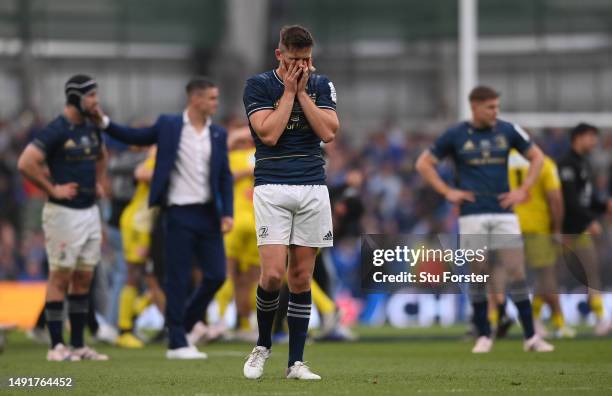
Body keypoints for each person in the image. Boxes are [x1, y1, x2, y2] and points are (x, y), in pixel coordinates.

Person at [93, 77, 233, 359]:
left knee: (217, 275)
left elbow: (224, 177)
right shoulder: (170, 126)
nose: (215, 104)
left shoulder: (217, 133)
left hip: (207, 214)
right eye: (212, 98)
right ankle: (177, 342)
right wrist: (105, 122)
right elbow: (136, 138)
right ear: (195, 99)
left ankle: (181, 325)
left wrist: (227, 212)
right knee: (176, 279)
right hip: (178, 212)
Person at [416, 85, 553, 353]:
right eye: (490, 107)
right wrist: (447, 191)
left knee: (516, 272)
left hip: (504, 212)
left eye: (497, 107)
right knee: (478, 275)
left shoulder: (508, 130)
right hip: (473, 214)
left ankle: (531, 337)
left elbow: (537, 158)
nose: (495, 112)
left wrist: (523, 190)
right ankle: (484, 335)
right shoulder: (456, 135)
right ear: (475, 107)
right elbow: (423, 163)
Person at [242, 25, 339, 380]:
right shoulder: (258, 85)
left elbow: (328, 132)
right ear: (279, 55)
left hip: (313, 186)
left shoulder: (321, 84)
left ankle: (295, 362)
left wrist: (303, 96)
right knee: (272, 274)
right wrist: (288, 93)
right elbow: (268, 134)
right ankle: (263, 344)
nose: (303, 66)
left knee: (301, 277)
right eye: (296, 59)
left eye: (307, 59)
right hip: (272, 186)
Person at [17, 74, 109, 361]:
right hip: (63, 214)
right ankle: (56, 346)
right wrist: (52, 188)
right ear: (75, 98)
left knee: (84, 277)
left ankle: (79, 345)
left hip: (89, 211)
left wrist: (99, 181)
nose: (96, 101)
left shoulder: (92, 126)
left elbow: (102, 155)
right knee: (60, 277)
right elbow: (26, 162)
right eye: (91, 96)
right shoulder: (56, 130)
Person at [508, 148, 575, 338]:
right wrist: (557, 228)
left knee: (505, 277)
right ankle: (560, 324)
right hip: (538, 228)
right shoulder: (544, 162)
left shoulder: (502, 162)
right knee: (546, 276)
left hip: (509, 226)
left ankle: (496, 323)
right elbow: (555, 198)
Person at [557, 123, 612, 336]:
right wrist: (590, 220)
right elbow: (569, 200)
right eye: (591, 137)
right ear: (578, 137)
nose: (595, 142)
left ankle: (600, 319)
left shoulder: (584, 163)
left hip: (579, 231)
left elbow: (585, 199)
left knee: (591, 274)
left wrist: (603, 205)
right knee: (550, 278)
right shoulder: (565, 164)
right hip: (562, 230)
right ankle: (540, 321)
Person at [116, 146, 160, 348]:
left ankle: (134, 313)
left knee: (151, 275)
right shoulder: (155, 162)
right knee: (135, 274)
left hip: (147, 225)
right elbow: (140, 173)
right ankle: (124, 330)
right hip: (137, 224)